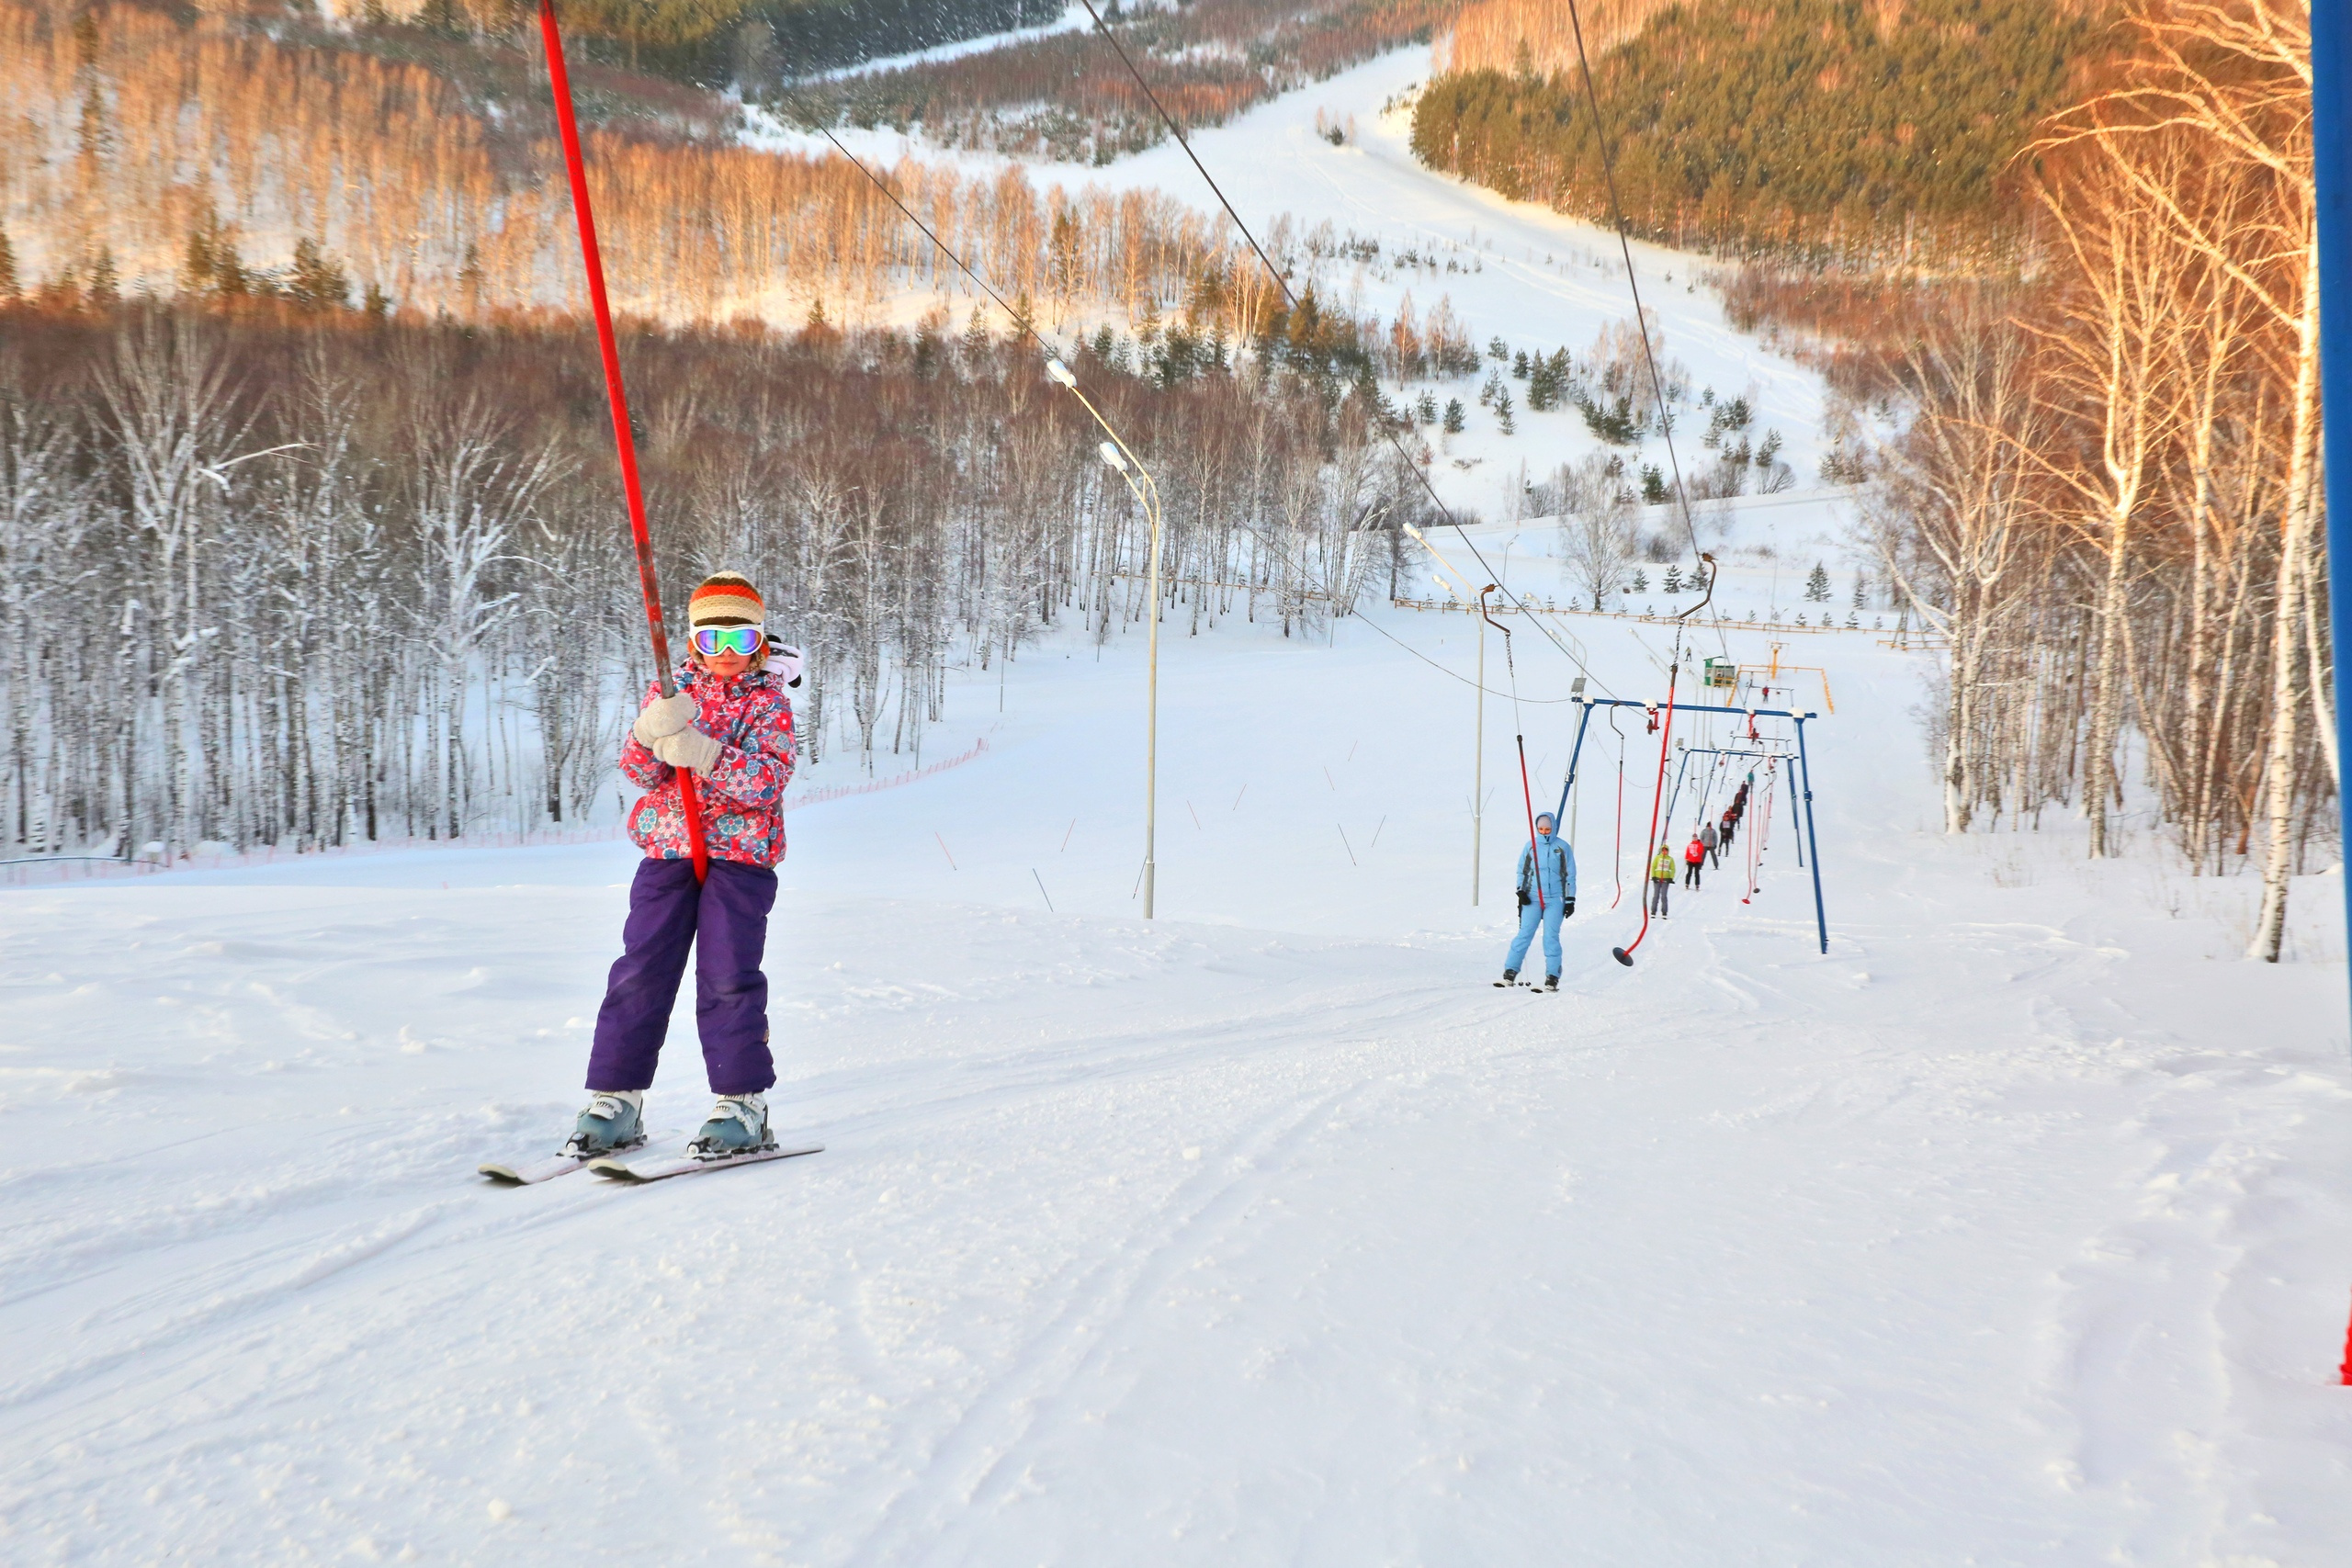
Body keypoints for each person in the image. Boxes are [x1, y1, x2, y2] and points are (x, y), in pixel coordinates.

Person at [566, 572, 805, 1161]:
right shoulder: (670, 693)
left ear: (761, 645)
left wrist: (706, 755)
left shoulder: (768, 702)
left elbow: (768, 779)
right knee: (639, 970)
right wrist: (648, 734)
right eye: (713, 642)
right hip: (668, 851)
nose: (726, 657)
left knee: (727, 975)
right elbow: (642, 774)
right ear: (693, 643)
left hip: (739, 858)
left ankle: (741, 1103)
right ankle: (616, 1099)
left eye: (742, 644)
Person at [1499, 812, 1576, 989]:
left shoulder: (1562, 847)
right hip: (1532, 898)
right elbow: (1522, 871)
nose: (1544, 832)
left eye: (1548, 829)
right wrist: (1521, 891)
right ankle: (1510, 971)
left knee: (1550, 938)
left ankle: (1552, 976)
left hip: (1555, 899)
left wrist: (1570, 899)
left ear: (1554, 828)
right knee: (1524, 934)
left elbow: (1569, 875)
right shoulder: (1531, 846)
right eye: (1541, 829)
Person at [1648, 841, 1676, 917]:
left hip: (1665, 880)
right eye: (1663, 850)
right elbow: (1653, 867)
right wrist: (1653, 876)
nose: (1664, 852)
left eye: (1666, 850)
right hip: (1657, 879)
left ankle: (1664, 912)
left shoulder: (1670, 859)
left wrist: (1671, 877)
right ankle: (1653, 911)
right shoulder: (1657, 858)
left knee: (1664, 896)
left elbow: (1673, 869)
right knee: (1656, 895)